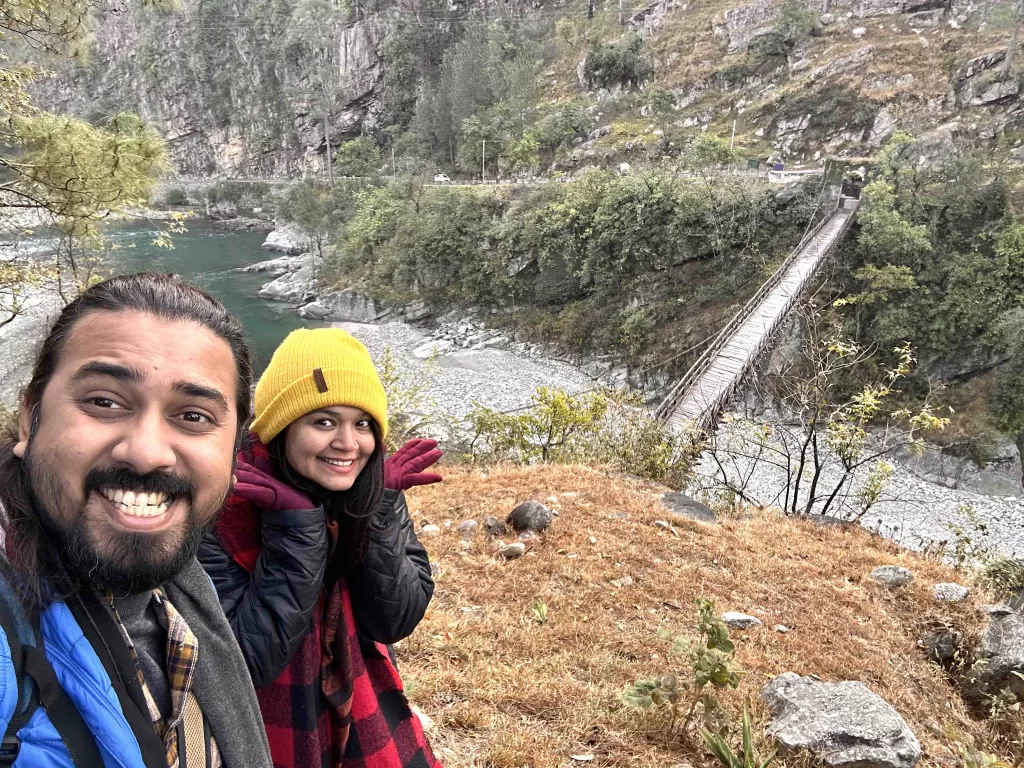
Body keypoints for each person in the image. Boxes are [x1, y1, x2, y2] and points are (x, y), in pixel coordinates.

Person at [0, 273, 272, 768]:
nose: (146, 453)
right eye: (104, 402)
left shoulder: (182, 597)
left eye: (193, 416)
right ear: (29, 419)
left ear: (235, 456)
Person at [198, 328, 442, 768]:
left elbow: (394, 620)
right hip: (263, 728)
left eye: (362, 424)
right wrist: (296, 529)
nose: (348, 444)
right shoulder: (223, 504)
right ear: (281, 427)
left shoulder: (371, 488)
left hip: (359, 698)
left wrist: (376, 512)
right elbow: (247, 662)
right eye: (324, 421)